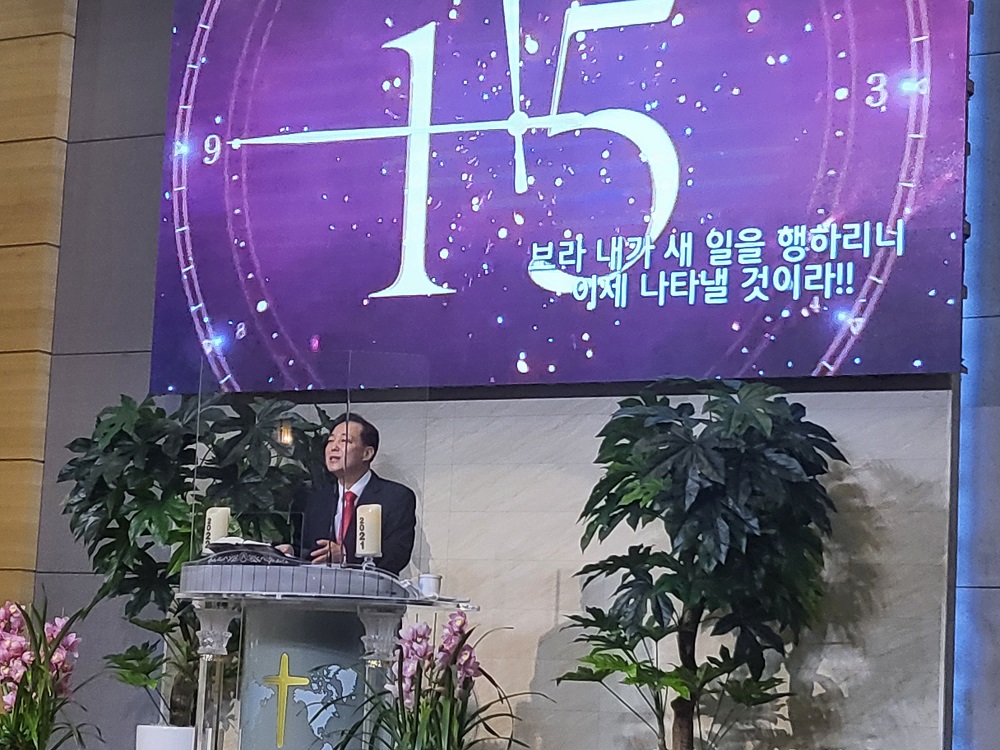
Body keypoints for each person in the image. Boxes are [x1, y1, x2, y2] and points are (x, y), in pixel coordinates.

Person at [292, 413, 417, 575]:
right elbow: (309, 550)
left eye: (344, 441)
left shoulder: (396, 497)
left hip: (369, 588)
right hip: (321, 587)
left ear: (367, 453)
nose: (333, 447)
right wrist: (290, 553)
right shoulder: (318, 499)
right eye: (330, 441)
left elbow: (397, 555)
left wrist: (345, 556)